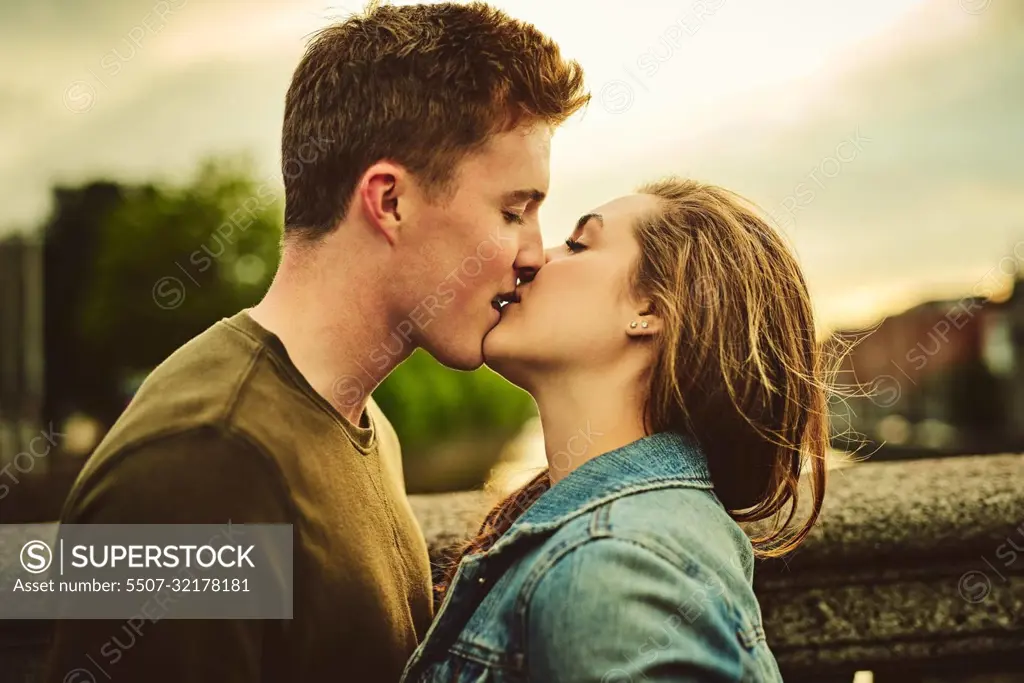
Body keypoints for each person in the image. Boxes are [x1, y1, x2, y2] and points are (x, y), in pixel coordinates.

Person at [45, 3, 588, 682]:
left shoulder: (364, 424)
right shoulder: (200, 461)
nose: (534, 252)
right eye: (513, 211)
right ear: (389, 201)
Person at [400, 178, 833, 682]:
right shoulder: (629, 536)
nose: (534, 258)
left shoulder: (615, 565)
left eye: (579, 243)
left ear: (649, 311)